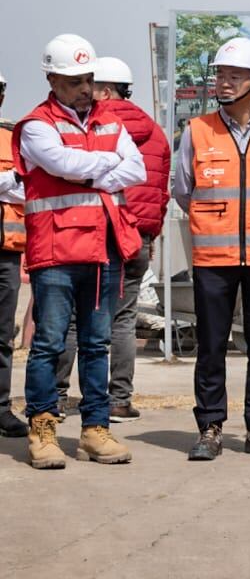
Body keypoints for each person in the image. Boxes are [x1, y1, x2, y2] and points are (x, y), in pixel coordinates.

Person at [15, 34, 144, 469]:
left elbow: (136, 169)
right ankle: (42, 429)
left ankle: (95, 429)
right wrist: (106, 165)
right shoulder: (36, 125)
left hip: (102, 250)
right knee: (49, 344)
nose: (86, 89)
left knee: (96, 345)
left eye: (89, 79)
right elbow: (62, 164)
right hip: (55, 251)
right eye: (75, 81)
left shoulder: (109, 120)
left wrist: (89, 170)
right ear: (52, 80)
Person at [172, 36, 250, 461]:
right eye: (220, 75)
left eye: (234, 75)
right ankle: (210, 428)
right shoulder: (196, 130)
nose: (224, 82)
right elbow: (183, 191)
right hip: (214, 257)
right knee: (211, 345)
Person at [55, 56, 171, 422]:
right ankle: (119, 399)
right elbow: (162, 192)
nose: (84, 93)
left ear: (105, 91)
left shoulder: (95, 128)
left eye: (89, 86)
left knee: (73, 317)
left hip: (93, 232)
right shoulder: (156, 133)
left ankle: (56, 397)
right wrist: (149, 233)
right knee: (123, 319)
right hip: (137, 237)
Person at [0, 68, 29, 438]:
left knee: (2, 335)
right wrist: (7, 182)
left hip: (6, 254)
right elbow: (14, 184)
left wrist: (9, 184)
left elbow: (26, 187)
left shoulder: (12, 139)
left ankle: (1, 409)